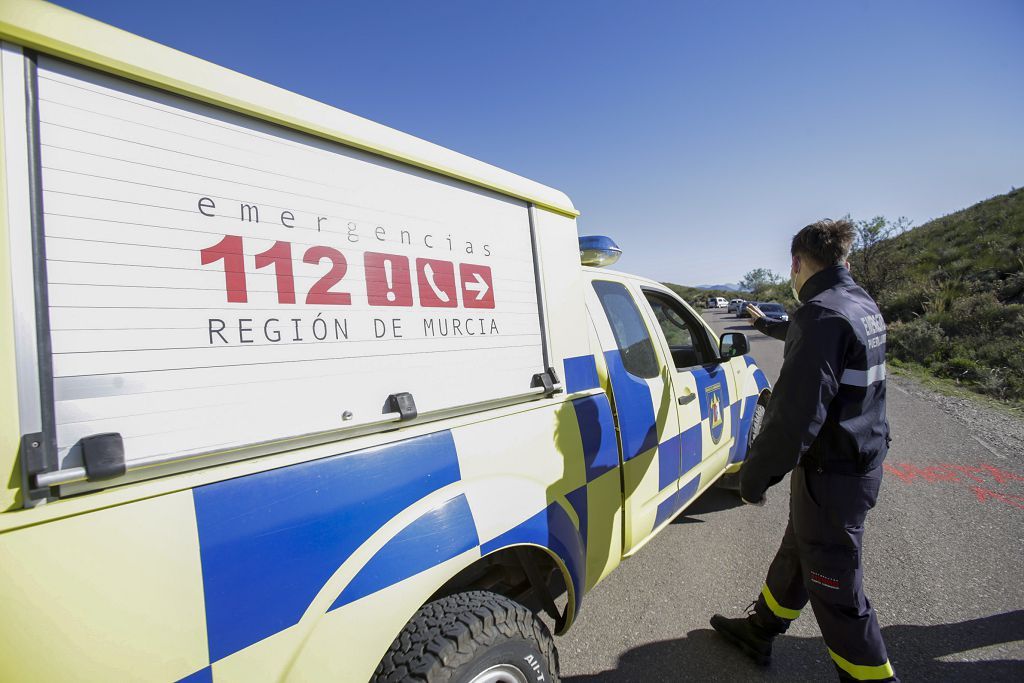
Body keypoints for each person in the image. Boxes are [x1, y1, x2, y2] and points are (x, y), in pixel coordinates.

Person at [710, 219, 897, 682]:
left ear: (796, 263)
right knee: (797, 554)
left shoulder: (820, 315)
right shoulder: (858, 303)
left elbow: (794, 418)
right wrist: (768, 324)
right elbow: (821, 340)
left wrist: (754, 477)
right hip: (859, 460)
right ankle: (760, 629)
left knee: (837, 589)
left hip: (833, 474)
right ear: (843, 260)